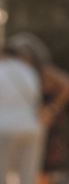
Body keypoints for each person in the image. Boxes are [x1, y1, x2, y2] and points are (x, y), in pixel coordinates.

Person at [6, 33, 69, 184]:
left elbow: (68, 85)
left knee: (43, 168)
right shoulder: (14, 72)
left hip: (44, 125)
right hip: (28, 124)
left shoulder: (41, 71)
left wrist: (51, 109)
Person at [0, 46, 43, 184]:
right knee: (27, 175)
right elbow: (36, 98)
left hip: (5, 127)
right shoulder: (29, 71)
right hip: (31, 126)